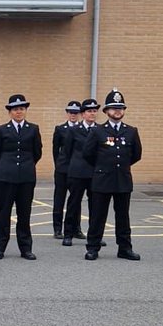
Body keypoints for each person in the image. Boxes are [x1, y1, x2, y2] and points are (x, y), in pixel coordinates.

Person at [82, 89, 142, 260]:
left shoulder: (131, 131)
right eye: (114, 108)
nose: (117, 111)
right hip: (102, 179)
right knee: (98, 216)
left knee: (123, 217)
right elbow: (88, 154)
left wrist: (120, 167)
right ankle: (93, 248)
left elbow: (136, 155)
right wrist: (102, 166)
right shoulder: (98, 131)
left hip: (122, 179)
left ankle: (124, 248)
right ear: (107, 111)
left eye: (120, 108)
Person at [0, 94, 43, 259]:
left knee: (24, 214)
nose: (18, 112)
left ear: (25, 111)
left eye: (21, 109)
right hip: (6, 177)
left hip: (26, 177)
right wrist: (7, 167)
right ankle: (0, 247)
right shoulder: (1, 130)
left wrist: (26, 166)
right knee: (3, 213)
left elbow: (37, 153)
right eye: (15, 109)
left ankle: (25, 248)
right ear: (9, 112)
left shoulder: (33, 129)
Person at [59, 97, 100, 245]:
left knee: (95, 206)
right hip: (77, 172)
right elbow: (67, 152)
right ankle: (68, 234)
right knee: (73, 203)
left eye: (95, 111)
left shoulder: (100, 130)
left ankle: (94, 236)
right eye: (89, 111)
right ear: (83, 114)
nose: (92, 114)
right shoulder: (74, 130)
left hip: (95, 173)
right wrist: (69, 170)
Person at [52, 100, 82, 238]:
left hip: (77, 169)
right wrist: (58, 164)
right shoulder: (60, 129)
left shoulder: (83, 129)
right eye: (71, 112)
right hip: (63, 169)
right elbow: (55, 150)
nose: (73, 115)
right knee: (59, 199)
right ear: (67, 113)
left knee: (76, 200)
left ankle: (76, 228)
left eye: (76, 113)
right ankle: (57, 229)